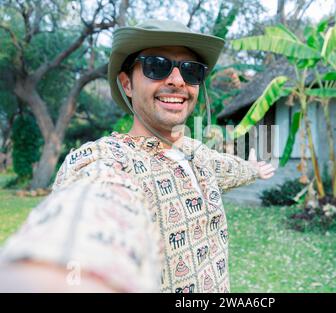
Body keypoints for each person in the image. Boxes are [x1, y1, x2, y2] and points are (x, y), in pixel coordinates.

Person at [0, 20, 276, 292]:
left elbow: (227, 168)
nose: (178, 80)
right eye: (157, 65)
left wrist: (253, 169)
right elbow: (95, 199)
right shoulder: (110, 158)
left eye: (191, 71)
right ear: (127, 84)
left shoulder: (196, 152)